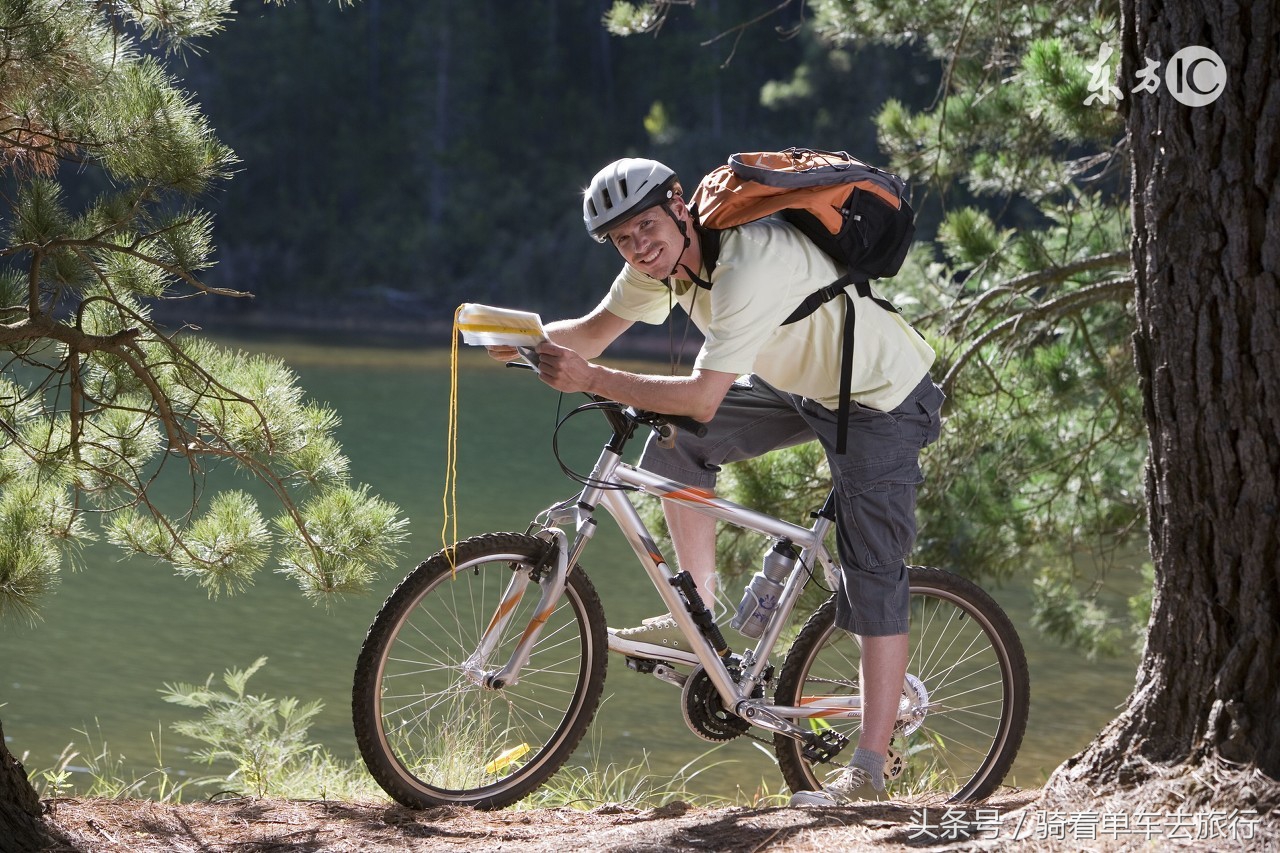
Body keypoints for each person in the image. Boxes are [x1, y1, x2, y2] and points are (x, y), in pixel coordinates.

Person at [488, 157, 943, 806]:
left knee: (870, 571)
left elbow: (701, 397)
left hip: (878, 395)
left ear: (678, 204)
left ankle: (869, 770)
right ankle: (697, 616)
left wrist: (589, 379)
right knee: (674, 447)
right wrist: (514, 339)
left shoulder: (746, 262)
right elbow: (590, 333)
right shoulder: (661, 266)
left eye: (645, 226)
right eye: (623, 239)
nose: (638, 245)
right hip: (796, 385)